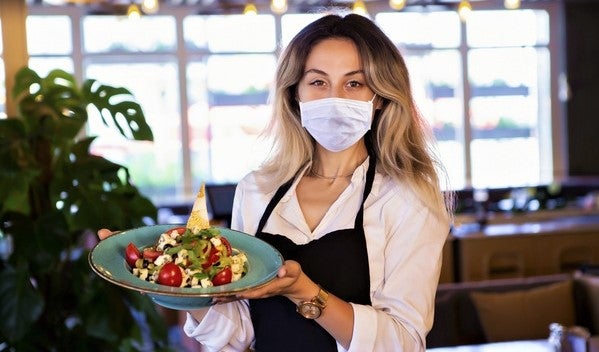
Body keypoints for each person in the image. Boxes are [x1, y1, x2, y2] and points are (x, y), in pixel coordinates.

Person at [100, 12, 453, 352]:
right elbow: (240, 333)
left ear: (379, 98)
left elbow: (403, 341)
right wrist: (165, 280)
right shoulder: (257, 191)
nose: (335, 98)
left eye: (354, 83)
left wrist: (303, 291)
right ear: (294, 94)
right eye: (318, 82)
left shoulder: (407, 197)